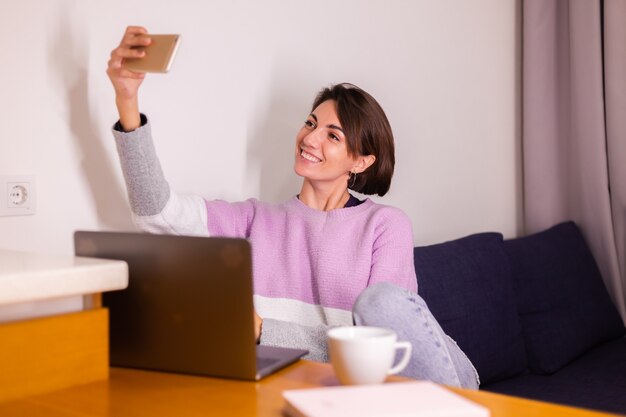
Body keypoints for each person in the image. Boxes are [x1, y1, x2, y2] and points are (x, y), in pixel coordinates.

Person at [106, 26, 480, 389]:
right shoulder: (254, 220)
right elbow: (157, 214)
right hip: (312, 387)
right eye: (310, 123)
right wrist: (127, 100)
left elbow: (379, 351)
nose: (309, 138)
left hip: (420, 374)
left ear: (361, 162)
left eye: (332, 135)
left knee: (382, 303)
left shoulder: (385, 225)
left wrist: (265, 331)